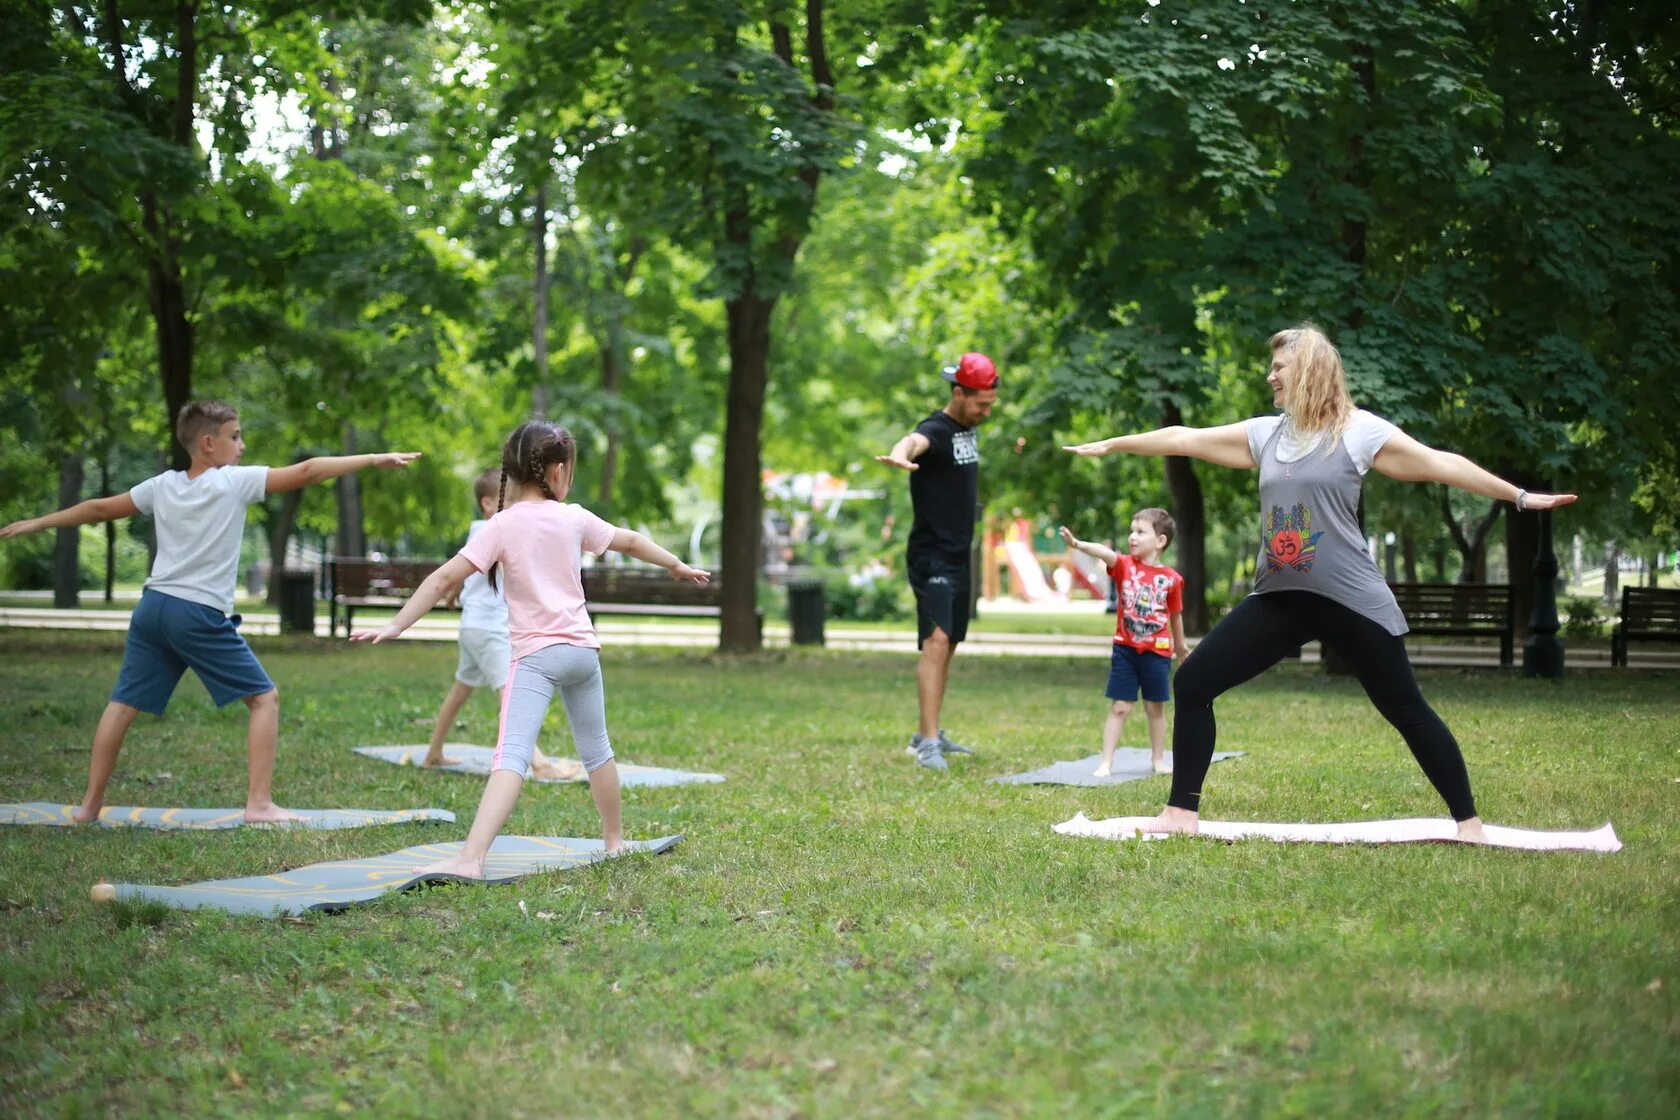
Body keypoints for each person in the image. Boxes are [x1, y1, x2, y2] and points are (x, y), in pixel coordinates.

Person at [1064, 324, 1577, 842]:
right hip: (1280, 598)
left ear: (1307, 369)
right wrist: (1112, 444)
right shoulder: (1267, 434)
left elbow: (1439, 463)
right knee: (1193, 682)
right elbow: (1183, 439)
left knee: (1405, 708)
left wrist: (1520, 497)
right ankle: (1180, 813)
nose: (1270, 377)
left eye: (1279, 368)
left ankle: (1469, 824)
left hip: (1349, 599)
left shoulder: (1360, 432)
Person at [0, 400, 419, 823]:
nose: (241, 445)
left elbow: (98, 509)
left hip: (153, 609)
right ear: (207, 443)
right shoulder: (232, 482)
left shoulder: (162, 485)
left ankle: (89, 807)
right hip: (195, 613)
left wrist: (37, 522)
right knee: (264, 699)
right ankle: (259, 805)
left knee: (123, 703)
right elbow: (307, 472)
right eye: (234, 437)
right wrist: (371, 458)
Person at [353, 421, 708, 875]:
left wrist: (397, 624)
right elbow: (633, 541)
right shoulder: (574, 516)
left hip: (535, 659)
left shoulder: (500, 525)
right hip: (582, 653)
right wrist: (676, 565)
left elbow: (444, 578)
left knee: (512, 756)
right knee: (597, 750)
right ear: (558, 472)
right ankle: (615, 841)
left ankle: (471, 857)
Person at [875, 352, 999, 771]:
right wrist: (899, 452)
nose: (986, 411)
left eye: (990, 404)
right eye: (980, 403)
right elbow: (915, 440)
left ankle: (929, 732)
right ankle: (926, 743)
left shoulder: (968, 428)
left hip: (959, 555)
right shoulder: (937, 429)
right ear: (958, 393)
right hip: (932, 557)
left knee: (950, 645)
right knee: (936, 641)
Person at [422, 468, 581, 781]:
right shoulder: (496, 530)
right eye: (510, 501)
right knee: (511, 695)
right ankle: (539, 763)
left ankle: (434, 753)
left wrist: (456, 593)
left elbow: (464, 567)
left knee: (459, 692)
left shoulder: (479, 530)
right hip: (490, 631)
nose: (518, 507)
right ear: (487, 503)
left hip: (474, 627)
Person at [1060, 510, 1188, 777]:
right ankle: (1105, 762)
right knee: (1120, 706)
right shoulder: (1124, 566)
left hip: (1158, 653)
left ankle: (1158, 760)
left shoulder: (1172, 580)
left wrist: (1181, 647)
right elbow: (1103, 554)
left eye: (1140, 532)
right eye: (1132, 530)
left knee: (1155, 707)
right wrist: (1078, 544)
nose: (1132, 537)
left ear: (1161, 540)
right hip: (1125, 650)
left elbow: (1175, 616)